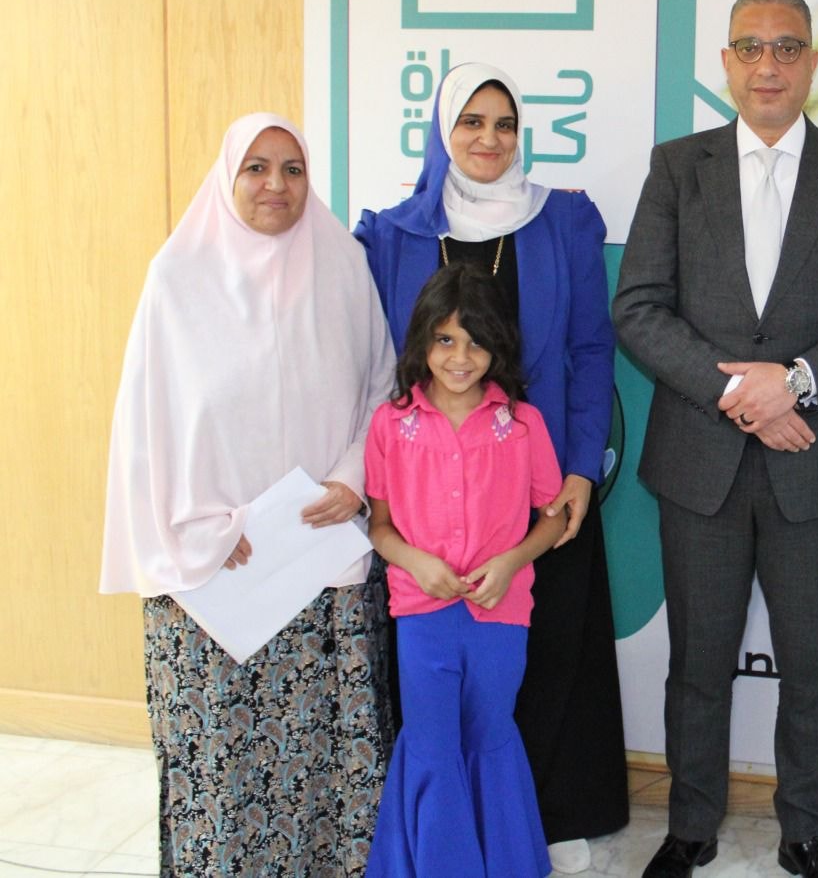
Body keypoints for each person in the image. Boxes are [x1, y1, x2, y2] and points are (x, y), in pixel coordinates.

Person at [613, 0, 818, 878]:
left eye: (787, 47)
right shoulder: (678, 168)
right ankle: (690, 826)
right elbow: (638, 309)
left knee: (812, 666)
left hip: (811, 465)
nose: (768, 65)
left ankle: (807, 832)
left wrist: (797, 384)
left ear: (813, 61)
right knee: (698, 666)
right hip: (699, 465)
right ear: (726, 64)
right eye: (750, 47)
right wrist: (744, 395)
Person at [100, 113, 395, 876]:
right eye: (256, 168)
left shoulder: (341, 264)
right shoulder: (178, 278)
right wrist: (197, 527)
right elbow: (146, 425)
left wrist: (352, 479)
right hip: (214, 578)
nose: (275, 185)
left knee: (324, 767)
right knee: (220, 771)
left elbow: (381, 389)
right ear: (226, 177)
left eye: (293, 169)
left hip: (319, 567)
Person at [357, 62, 626, 871]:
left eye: (505, 124)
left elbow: (591, 349)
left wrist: (580, 466)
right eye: (471, 121)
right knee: (442, 692)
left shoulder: (563, 220)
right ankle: (445, 836)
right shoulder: (395, 233)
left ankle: (542, 817)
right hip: (432, 499)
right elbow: (375, 364)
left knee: (546, 651)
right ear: (442, 131)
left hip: (540, 477)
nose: (489, 138)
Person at [364, 262, 566, 878]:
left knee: (490, 734)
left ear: (497, 346)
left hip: (500, 612)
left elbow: (554, 519)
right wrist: (417, 562)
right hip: (421, 614)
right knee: (431, 743)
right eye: (445, 339)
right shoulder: (391, 424)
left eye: (476, 342)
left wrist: (511, 561)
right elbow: (379, 527)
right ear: (423, 341)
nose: (460, 357)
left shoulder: (523, 424)